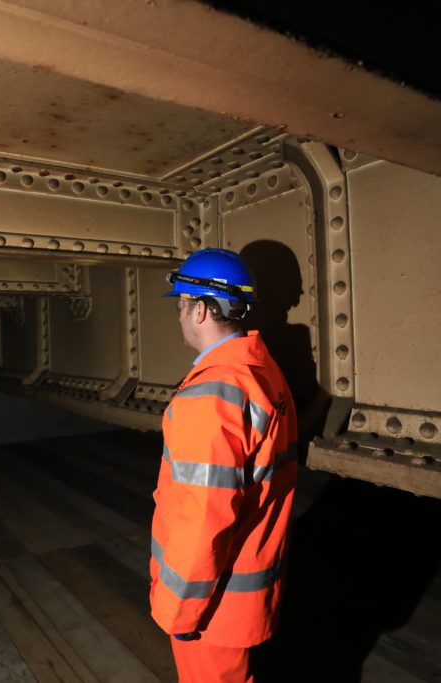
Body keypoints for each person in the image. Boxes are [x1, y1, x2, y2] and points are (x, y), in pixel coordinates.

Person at [150, 248, 298, 683]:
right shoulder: (261, 369)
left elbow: (202, 521)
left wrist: (179, 610)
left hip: (211, 604)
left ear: (199, 309)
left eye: (180, 305)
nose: (178, 316)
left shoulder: (212, 394)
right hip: (246, 589)